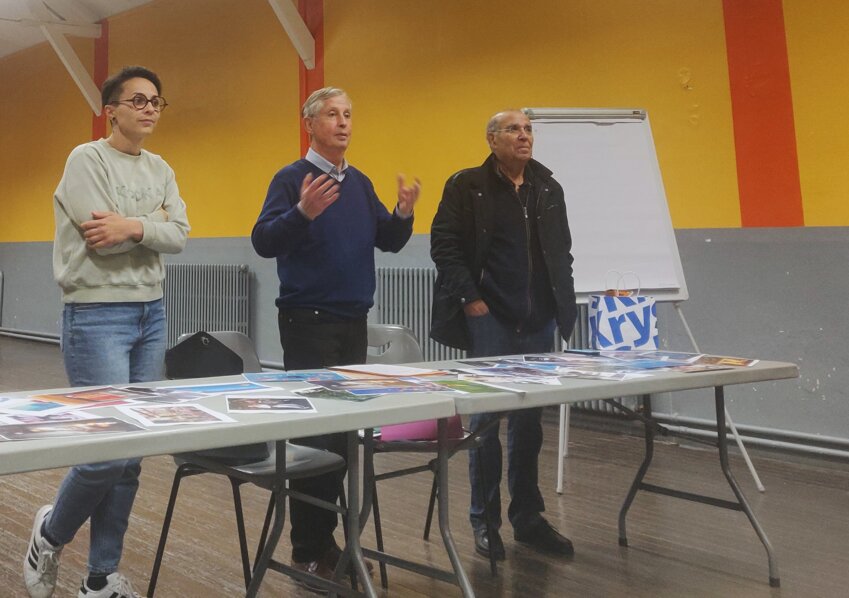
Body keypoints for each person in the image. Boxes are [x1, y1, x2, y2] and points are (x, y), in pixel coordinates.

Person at [23, 66, 189, 598]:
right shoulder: (85, 159)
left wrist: (132, 224)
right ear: (110, 110)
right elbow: (102, 241)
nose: (147, 108)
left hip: (150, 313)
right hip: (97, 315)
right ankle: (49, 535)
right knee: (106, 453)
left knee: (132, 457)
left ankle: (100, 578)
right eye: (136, 100)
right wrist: (148, 227)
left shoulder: (161, 167)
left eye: (156, 101)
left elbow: (180, 235)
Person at [251, 86, 420, 588]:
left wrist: (405, 212)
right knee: (314, 439)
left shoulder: (361, 183)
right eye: (332, 114)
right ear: (310, 124)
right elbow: (263, 241)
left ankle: (328, 542)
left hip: (352, 324)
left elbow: (387, 239)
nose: (343, 123)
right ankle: (306, 549)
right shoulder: (290, 179)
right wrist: (301, 213)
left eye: (348, 114)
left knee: (346, 440)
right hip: (308, 322)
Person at [430, 109, 578, 561]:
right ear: (492, 139)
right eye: (514, 129)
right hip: (490, 319)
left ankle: (528, 520)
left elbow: (562, 251)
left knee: (530, 426)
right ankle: (485, 521)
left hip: (538, 321)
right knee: (486, 424)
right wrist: (470, 299)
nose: (524, 136)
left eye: (528, 129)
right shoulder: (466, 186)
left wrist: (559, 308)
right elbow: (444, 244)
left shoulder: (548, 188)